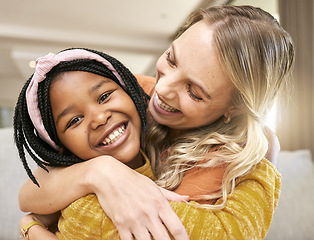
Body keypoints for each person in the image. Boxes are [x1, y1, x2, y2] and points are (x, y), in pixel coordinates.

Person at [18, 5, 294, 240]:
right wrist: (100, 172)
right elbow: (30, 193)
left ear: (235, 106)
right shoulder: (134, 94)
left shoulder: (243, 152)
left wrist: (33, 226)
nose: (163, 90)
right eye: (171, 59)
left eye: (194, 91)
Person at [15, 48, 189, 240]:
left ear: (130, 91)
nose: (99, 118)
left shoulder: (164, 138)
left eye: (104, 97)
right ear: (62, 147)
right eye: (75, 120)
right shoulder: (88, 212)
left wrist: (30, 225)